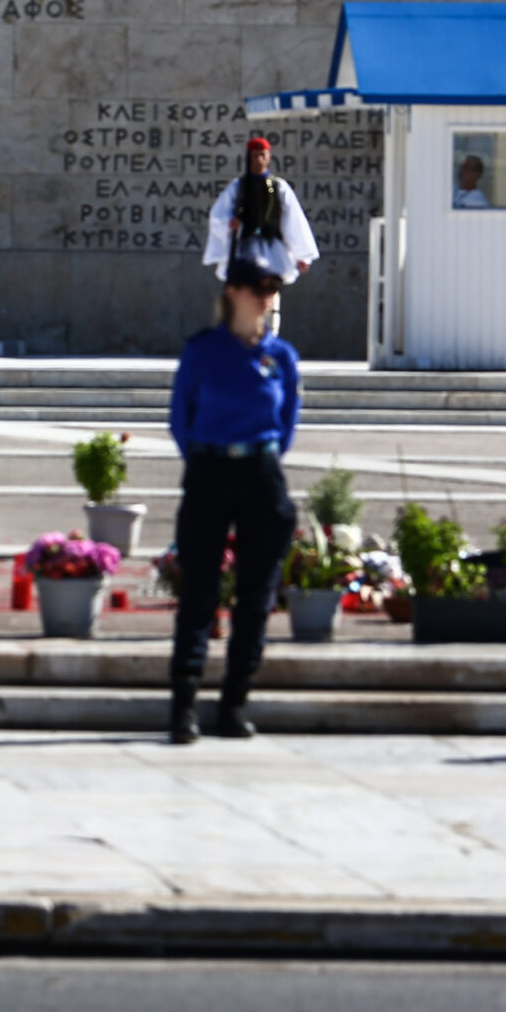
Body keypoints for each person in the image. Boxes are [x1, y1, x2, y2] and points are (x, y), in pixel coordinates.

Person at [165, 257, 301, 746]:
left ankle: (234, 703)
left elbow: (286, 422)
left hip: (260, 473)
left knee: (256, 594)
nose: (266, 297)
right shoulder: (203, 350)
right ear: (233, 292)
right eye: (257, 288)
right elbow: (180, 416)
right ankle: (184, 706)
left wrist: (259, 459)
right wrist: (208, 458)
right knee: (199, 591)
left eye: (272, 288)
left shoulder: (280, 356)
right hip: (210, 469)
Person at [204, 134, 318, 285]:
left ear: (269, 158)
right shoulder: (239, 186)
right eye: (255, 155)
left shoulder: (275, 186)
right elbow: (219, 214)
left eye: (263, 155)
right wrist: (230, 222)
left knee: (269, 286)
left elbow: (293, 219)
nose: (259, 159)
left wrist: (302, 256)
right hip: (245, 244)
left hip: (271, 246)